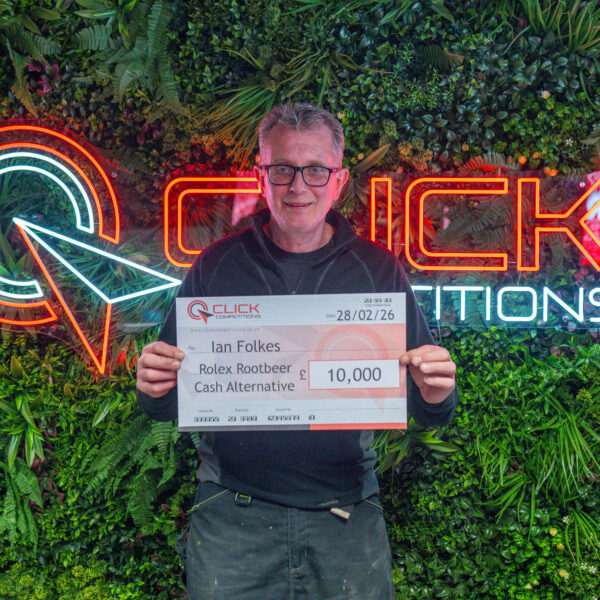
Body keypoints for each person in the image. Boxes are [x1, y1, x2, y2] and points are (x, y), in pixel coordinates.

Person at [136, 103, 458, 600]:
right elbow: (169, 400)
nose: (298, 186)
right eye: (282, 169)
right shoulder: (217, 266)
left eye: (315, 170)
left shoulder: (377, 270)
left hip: (346, 517)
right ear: (260, 177)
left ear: (339, 180)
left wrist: (436, 392)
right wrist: (153, 387)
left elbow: (428, 407)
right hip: (232, 518)